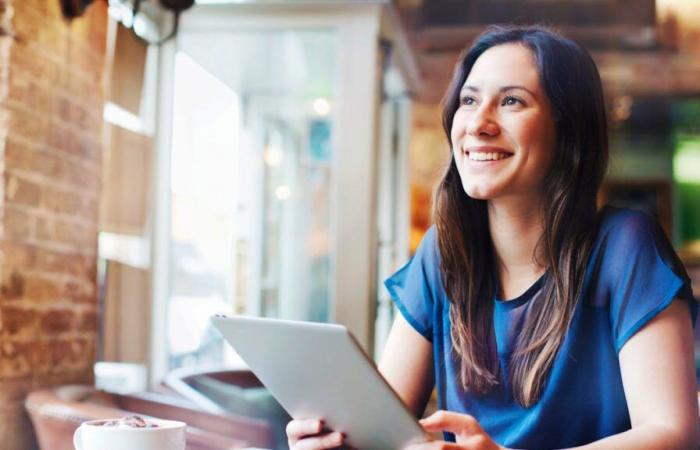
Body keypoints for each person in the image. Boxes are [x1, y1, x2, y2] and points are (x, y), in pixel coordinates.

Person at [286, 25, 699, 450]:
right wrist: (337, 439)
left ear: (567, 130)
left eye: (511, 101)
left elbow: (673, 433)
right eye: (469, 100)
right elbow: (380, 424)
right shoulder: (442, 255)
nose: (478, 124)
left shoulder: (624, 246)